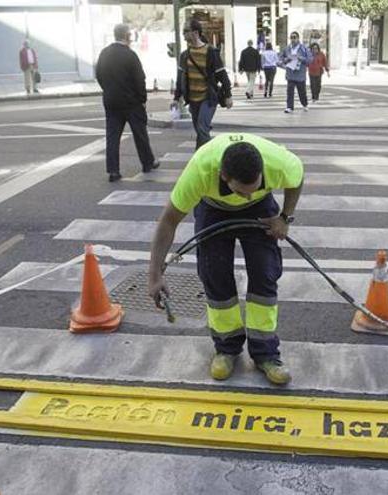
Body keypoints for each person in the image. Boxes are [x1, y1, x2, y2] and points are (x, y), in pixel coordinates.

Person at [147, 133, 304, 385]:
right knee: (215, 276)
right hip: (213, 209)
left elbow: (297, 178)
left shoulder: (277, 163)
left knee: (265, 273)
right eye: (242, 192)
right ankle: (226, 348)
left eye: (253, 188)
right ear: (223, 176)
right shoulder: (201, 170)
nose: (246, 197)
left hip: (262, 211)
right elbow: (168, 221)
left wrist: (284, 218)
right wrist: (155, 276)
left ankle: (266, 354)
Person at [95, 24, 158, 182]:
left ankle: (113, 171)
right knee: (140, 133)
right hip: (131, 102)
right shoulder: (130, 55)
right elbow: (139, 79)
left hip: (111, 101)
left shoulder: (104, 53)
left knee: (112, 136)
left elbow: (99, 75)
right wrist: (142, 98)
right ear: (126, 36)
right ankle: (147, 162)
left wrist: (108, 90)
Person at [175, 19, 233, 149]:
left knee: (202, 128)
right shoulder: (184, 55)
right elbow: (180, 78)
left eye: (186, 31)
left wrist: (228, 95)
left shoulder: (211, 52)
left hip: (208, 97)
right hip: (193, 99)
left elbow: (222, 74)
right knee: (201, 130)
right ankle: (204, 154)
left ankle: (204, 158)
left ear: (195, 33)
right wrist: (176, 97)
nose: (183, 35)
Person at [279, 31, 312, 114]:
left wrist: (301, 58)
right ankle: (289, 107)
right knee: (290, 90)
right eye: (291, 37)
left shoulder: (303, 48)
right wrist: (285, 60)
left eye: (294, 37)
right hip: (290, 73)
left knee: (302, 91)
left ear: (298, 38)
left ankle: (304, 104)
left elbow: (310, 60)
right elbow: (280, 59)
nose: (293, 39)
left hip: (300, 74)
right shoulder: (287, 48)